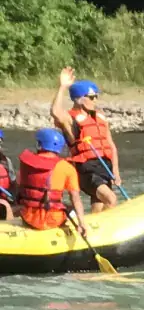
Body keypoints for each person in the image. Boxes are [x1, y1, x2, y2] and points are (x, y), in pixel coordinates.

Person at [52, 73, 121, 211]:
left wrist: (116, 172)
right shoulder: (70, 120)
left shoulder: (100, 117)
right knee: (111, 199)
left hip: (104, 166)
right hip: (86, 168)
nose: (95, 100)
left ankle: (94, 229)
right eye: (91, 97)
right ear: (79, 99)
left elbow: (111, 145)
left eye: (96, 96)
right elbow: (55, 111)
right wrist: (62, 87)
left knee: (99, 206)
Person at [14, 126, 83, 232]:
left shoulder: (26, 163)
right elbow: (75, 198)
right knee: (69, 208)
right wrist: (81, 223)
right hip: (54, 220)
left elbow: (19, 186)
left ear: (39, 145)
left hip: (29, 218)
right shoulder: (67, 168)